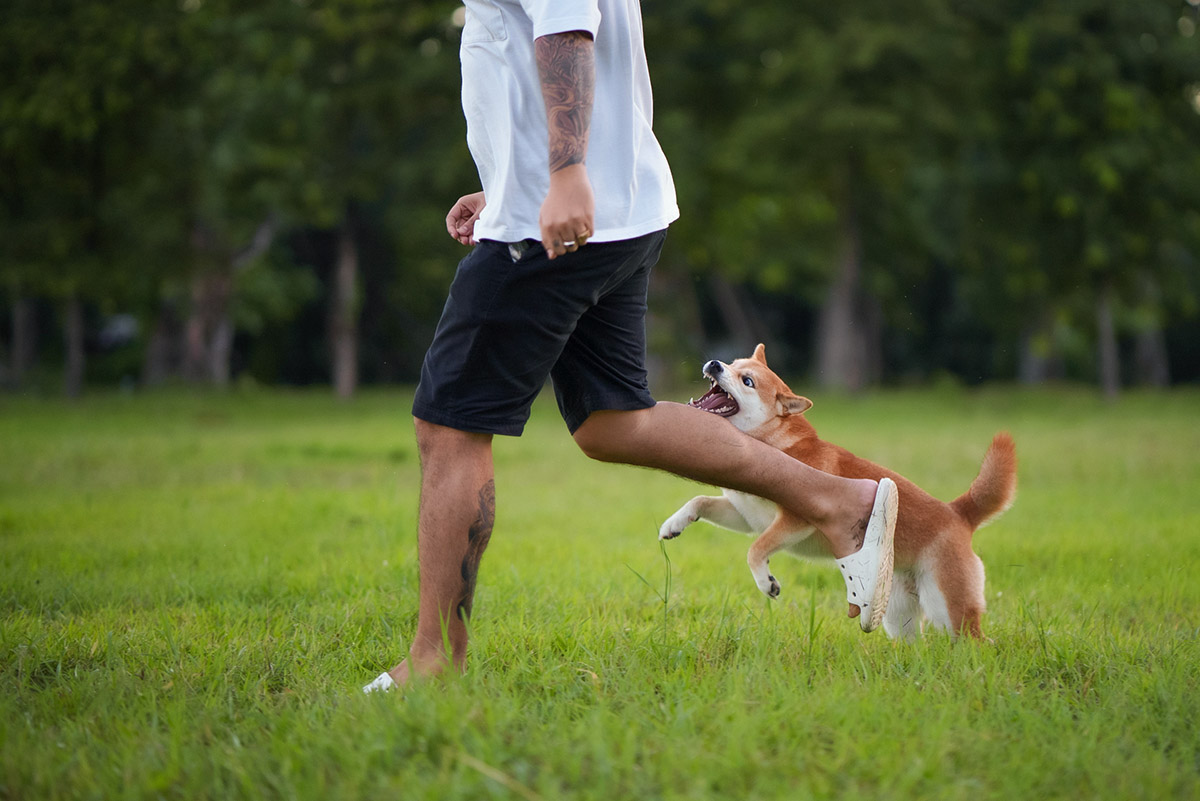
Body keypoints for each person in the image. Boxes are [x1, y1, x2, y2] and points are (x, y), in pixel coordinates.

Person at [363, 0, 897, 693]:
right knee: (614, 421)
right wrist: (508, 179)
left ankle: (435, 662)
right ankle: (842, 502)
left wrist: (560, 177)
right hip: (613, 207)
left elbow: (566, 30)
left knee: (450, 426)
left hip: (551, 220)